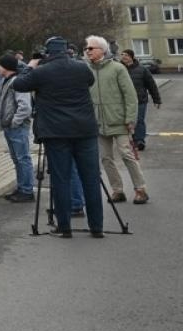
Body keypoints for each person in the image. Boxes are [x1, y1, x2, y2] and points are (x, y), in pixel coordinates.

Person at [14, 36, 104, 237]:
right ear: (67, 50)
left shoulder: (41, 72)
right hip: (85, 130)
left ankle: (65, 226)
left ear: (48, 52)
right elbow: (89, 82)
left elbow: (18, 84)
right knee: (90, 179)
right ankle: (96, 227)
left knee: (61, 179)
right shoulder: (81, 68)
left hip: (56, 133)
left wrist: (30, 66)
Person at [85, 36, 147, 204]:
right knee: (105, 158)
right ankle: (117, 190)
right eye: (87, 48)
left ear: (102, 50)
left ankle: (140, 188)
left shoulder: (117, 68)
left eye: (91, 48)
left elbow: (130, 95)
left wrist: (130, 119)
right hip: (98, 122)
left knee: (127, 154)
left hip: (119, 120)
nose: (87, 51)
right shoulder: (86, 70)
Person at [0, 53, 35, 202]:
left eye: (0, 65)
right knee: (17, 159)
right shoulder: (5, 80)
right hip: (9, 127)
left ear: (6, 67)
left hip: (17, 127)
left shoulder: (18, 82)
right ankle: (21, 187)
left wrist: (14, 122)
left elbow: (25, 107)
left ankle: (27, 190)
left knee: (23, 158)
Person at [122, 49, 161, 151]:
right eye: (122, 55)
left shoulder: (142, 70)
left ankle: (139, 141)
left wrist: (156, 99)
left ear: (132, 57)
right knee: (126, 121)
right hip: (123, 101)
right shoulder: (119, 69)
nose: (124, 57)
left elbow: (151, 85)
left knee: (139, 120)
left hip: (140, 100)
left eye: (126, 55)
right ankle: (128, 140)